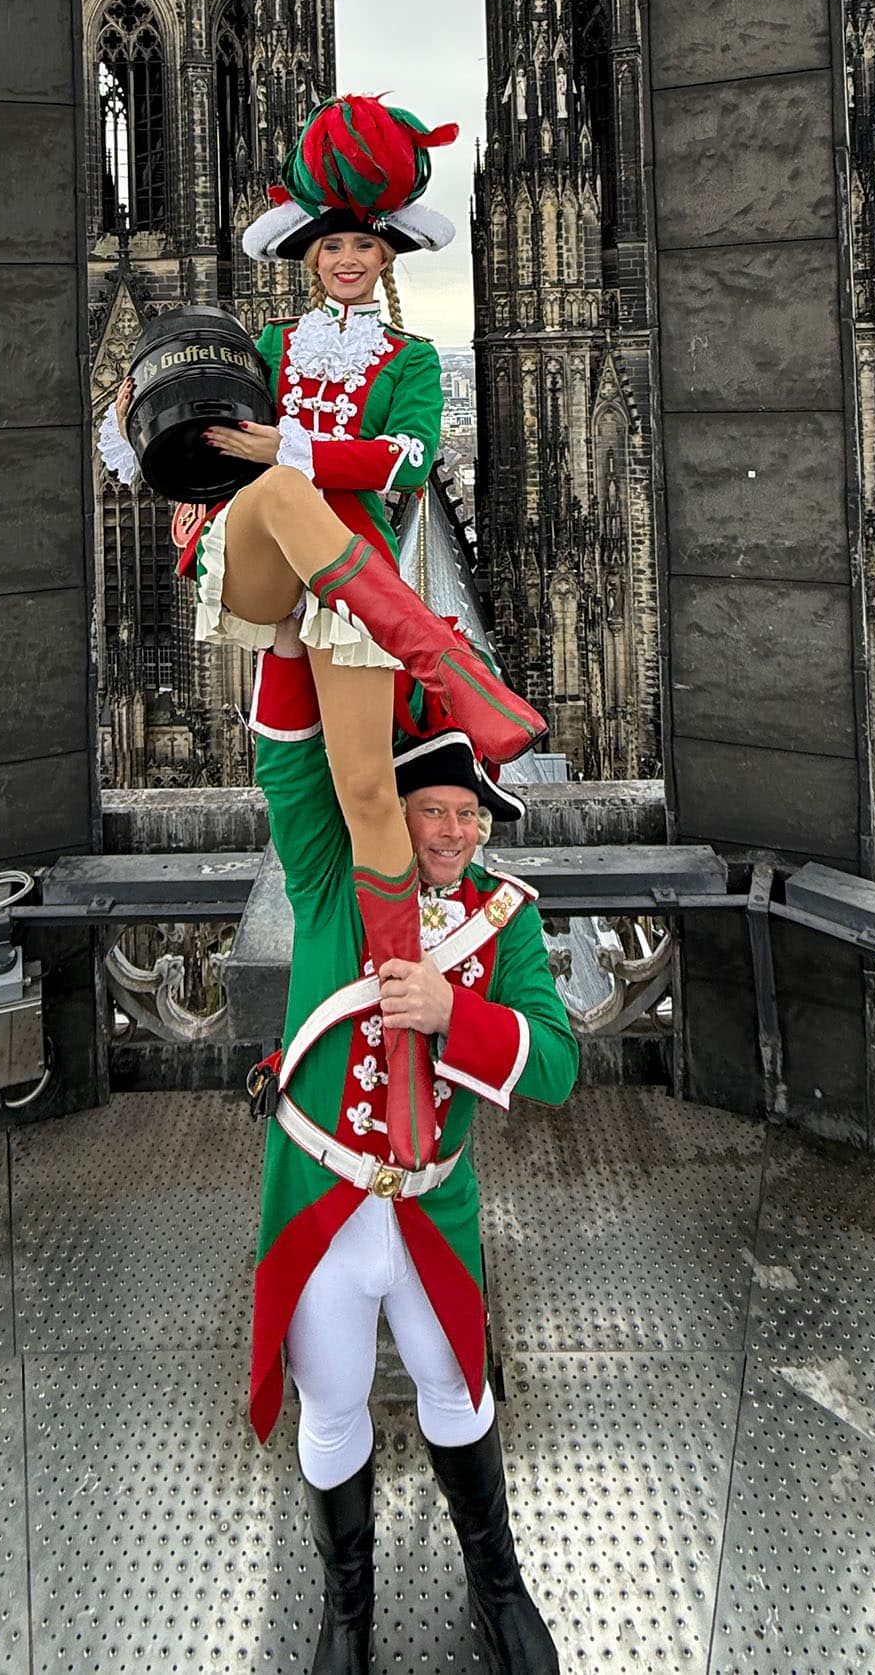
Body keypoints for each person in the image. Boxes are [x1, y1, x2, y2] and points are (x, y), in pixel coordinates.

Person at [99, 94, 546, 1173]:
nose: (348, 259)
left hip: (347, 599)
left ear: (384, 257)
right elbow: (175, 440)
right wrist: (133, 407)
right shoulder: (262, 344)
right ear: (311, 258)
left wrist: (285, 445)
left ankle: (397, 1064)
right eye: (333, 245)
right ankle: (445, 665)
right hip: (264, 570)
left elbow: (402, 462)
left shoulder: (411, 357)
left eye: (364, 246)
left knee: (362, 797)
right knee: (281, 498)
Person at [246, 635, 574, 1674]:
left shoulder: (504, 921)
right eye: (429, 809)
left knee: (458, 1392)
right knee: (333, 1401)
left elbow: (556, 1063)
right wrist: (303, 611)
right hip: (323, 1205)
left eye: (467, 815)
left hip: (433, 1210)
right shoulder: (329, 879)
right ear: (392, 812)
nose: (449, 830)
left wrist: (452, 1014)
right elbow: (289, 758)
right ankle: (347, 1617)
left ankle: (498, 1585)